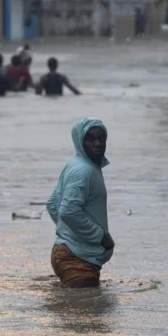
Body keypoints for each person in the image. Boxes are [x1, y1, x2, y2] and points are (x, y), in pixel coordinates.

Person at [46, 118, 114, 288]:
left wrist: (69, 233)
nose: (98, 144)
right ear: (79, 141)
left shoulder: (76, 165)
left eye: (101, 139)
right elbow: (68, 211)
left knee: (77, 310)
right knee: (87, 313)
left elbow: (53, 204)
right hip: (77, 259)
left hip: (70, 253)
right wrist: (99, 236)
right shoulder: (83, 171)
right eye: (90, 139)